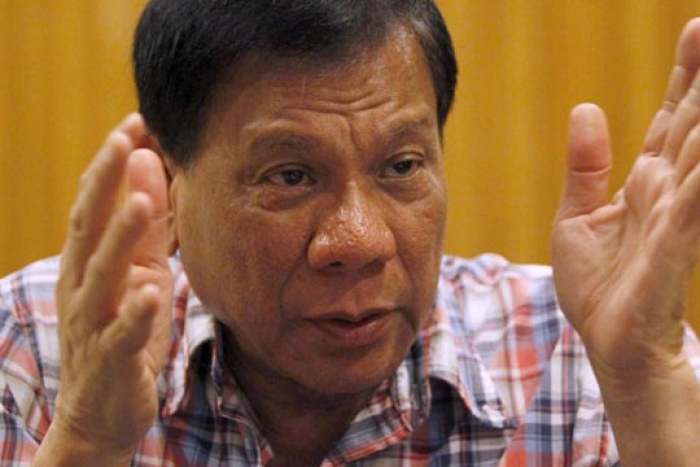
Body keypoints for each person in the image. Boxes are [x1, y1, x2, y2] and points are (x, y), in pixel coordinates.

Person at [2, 0, 700, 465]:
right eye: (291, 176)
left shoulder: (581, 353)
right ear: (165, 186)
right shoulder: (40, 343)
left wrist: (643, 382)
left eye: (401, 165)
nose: (360, 241)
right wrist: (87, 440)